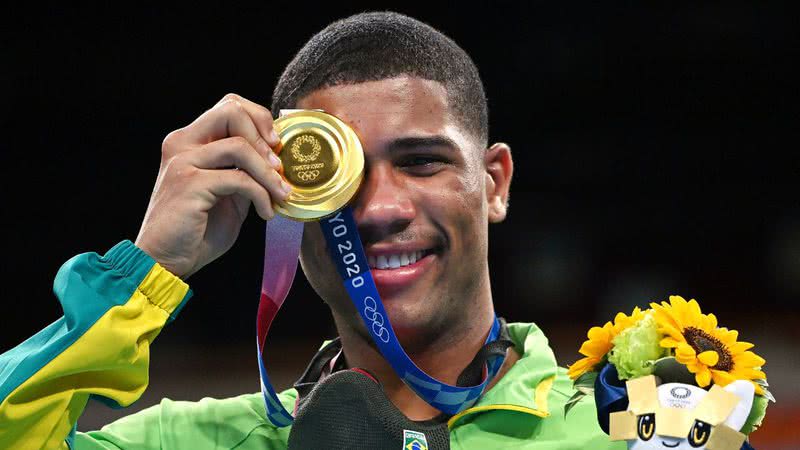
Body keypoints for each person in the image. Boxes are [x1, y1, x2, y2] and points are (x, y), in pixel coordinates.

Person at [0, 12, 620, 450]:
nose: (379, 208)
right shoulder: (195, 443)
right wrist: (147, 268)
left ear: (494, 182)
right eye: (337, 175)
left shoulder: (628, 422)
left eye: (421, 161)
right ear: (288, 197)